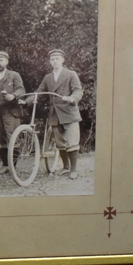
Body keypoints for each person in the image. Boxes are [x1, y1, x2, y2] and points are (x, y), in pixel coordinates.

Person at [23, 49, 83, 179]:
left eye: (57, 59)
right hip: (55, 114)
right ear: (50, 62)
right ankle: (66, 167)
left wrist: (72, 98)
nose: (55, 61)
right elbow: (38, 92)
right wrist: (26, 102)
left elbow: (78, 91)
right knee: (59, 142)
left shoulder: (70, 74)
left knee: (72, 141)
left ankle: (73, 170)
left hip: (69, 112)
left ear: (62, 60)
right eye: (52, 59)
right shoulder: (48, 77)